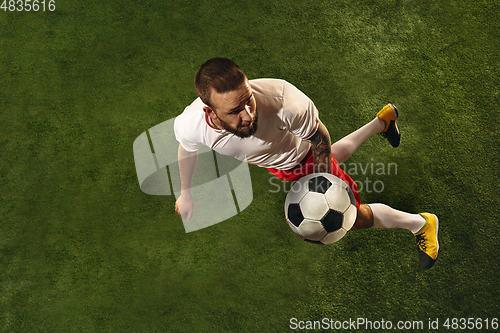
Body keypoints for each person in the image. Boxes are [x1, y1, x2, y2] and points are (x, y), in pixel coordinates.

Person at [173, 57, 439, 269]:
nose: (248, 114)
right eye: (235, 111)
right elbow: (186, 150)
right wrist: (186, 194)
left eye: (249, 100)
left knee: (353, 216)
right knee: (335, 157)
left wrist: (326, 189)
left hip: (306, 152)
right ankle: (384, 121)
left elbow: (319, 139)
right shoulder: (191, 125)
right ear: (210, 113)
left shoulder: (285, 102)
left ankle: (421, 223)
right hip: (280, 164)